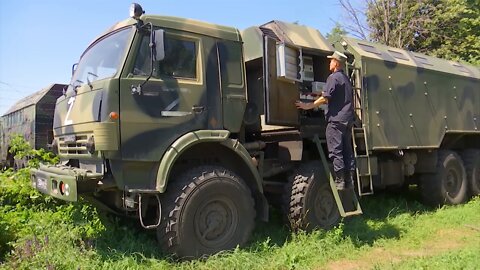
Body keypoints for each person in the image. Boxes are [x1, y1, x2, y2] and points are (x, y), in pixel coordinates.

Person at [295, 51, 355, 190]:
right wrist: (315, 93)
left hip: (336, 120)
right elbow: (331, 93)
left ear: (336, 63)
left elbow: (325, 98)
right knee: (347, 150)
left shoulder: (333, 78)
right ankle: (349, 180)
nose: (329, 63)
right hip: (347, 120)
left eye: (331, 61)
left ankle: (339, 181)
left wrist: (308, 105)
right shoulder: (345, 78)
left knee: (336, 150)